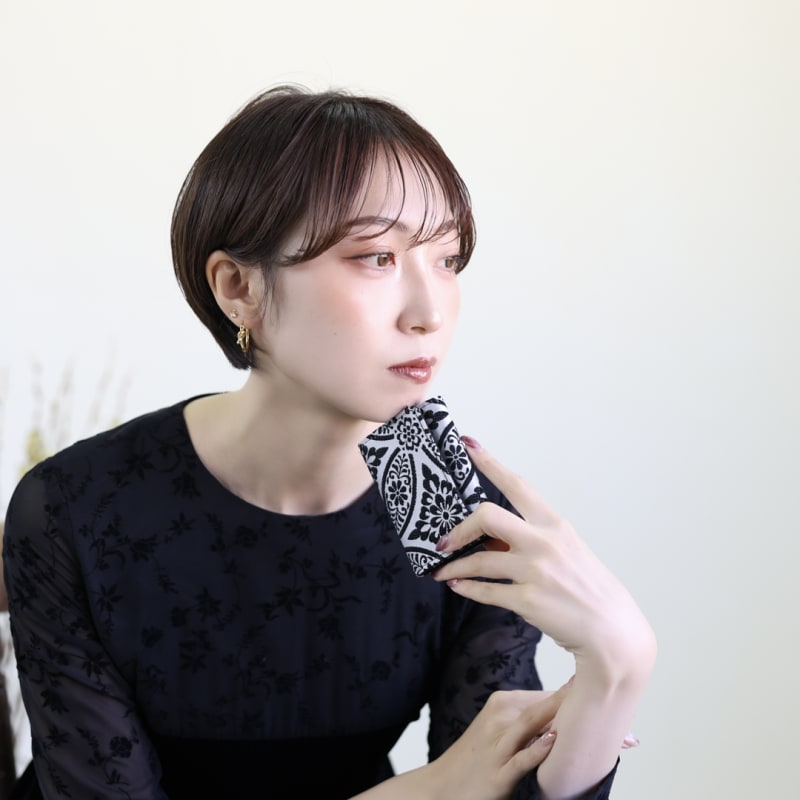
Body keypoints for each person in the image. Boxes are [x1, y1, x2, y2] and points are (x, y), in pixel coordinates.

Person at [2, 85, 656, 799]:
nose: (429, 312)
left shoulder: (457, 507)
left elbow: (495, 777)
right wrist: (430, 789)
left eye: (447, 259)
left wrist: (619, 666)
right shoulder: (77, 509)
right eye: (376, 257)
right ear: (238, 288)